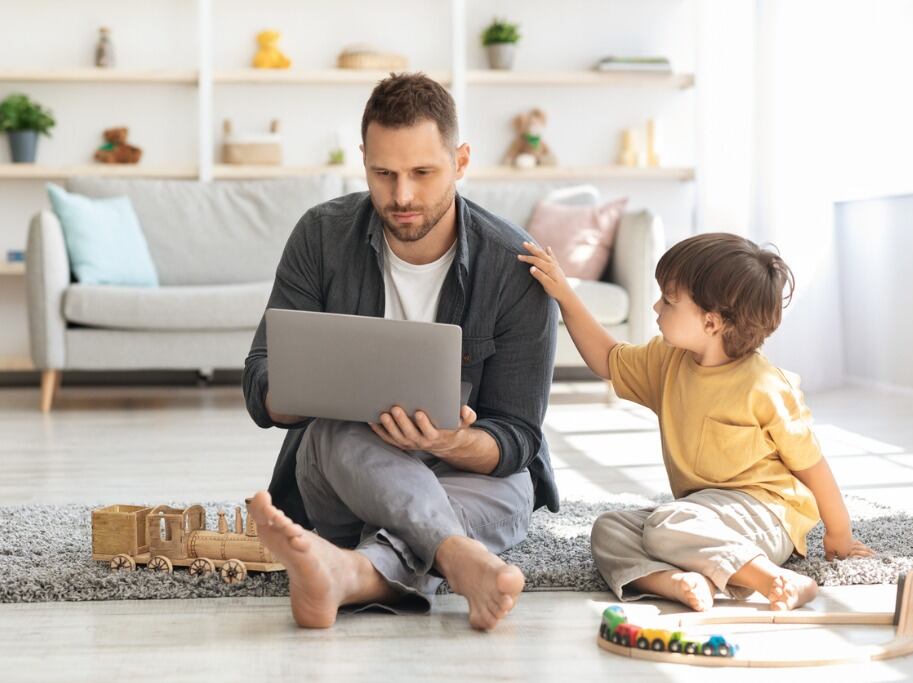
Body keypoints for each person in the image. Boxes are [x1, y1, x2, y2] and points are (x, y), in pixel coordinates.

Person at [243, 73, 558, 630]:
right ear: (363, 159)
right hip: (347, 468)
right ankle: (459, 556)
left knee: (515, 486)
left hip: (462, 473)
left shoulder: (513, 266)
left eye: (422, 173)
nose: (402, 196)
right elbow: (260, 383)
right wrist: (305, 392)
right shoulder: (321, 235)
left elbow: (516, 436)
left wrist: (452, 440)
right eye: (383, 174)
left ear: (460, 161)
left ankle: (350, 573)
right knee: (333, 431)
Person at [517, 233, 872, 611]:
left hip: (767, 515)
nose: (656, 307)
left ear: (712, 322)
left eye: (668, 300)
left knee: (669, 524)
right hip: (700, 515)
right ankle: (680, 582)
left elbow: (812, 468)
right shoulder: (667, 360)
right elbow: (607, 358)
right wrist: (564, 295)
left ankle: (774, 580)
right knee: (610, 529)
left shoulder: (765, 386)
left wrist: (840, 534)